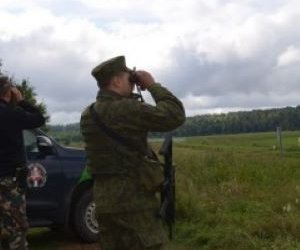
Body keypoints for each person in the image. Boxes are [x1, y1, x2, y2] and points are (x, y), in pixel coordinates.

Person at [80, 55, 185, 250]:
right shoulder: (126, 109)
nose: (132, 81)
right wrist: (152, 85)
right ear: (116, 81)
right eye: (128, 76)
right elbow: (175, 115)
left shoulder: (88, 114)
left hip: (103, 199)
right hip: (132, 200)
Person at [0, 75, 45, 250]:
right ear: (10, 92)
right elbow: (38, 118)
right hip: (9, 181)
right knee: (16, 229)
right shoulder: (12, 113)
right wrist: (21, 101)